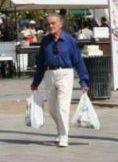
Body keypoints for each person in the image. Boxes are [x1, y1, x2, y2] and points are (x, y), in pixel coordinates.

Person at [31, 13, 89, 148]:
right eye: (48, 24)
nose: (50, 26)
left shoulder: (70, 40)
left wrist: (83, 81)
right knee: (51, 108)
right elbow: (40, 63)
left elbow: (78, 61)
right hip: (49, 74)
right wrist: (36, 82)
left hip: (65, 73)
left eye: (53, 23)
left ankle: (64, 136)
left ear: (60, 24)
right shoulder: (45, 41)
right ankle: (62, 128)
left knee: (63, 107)